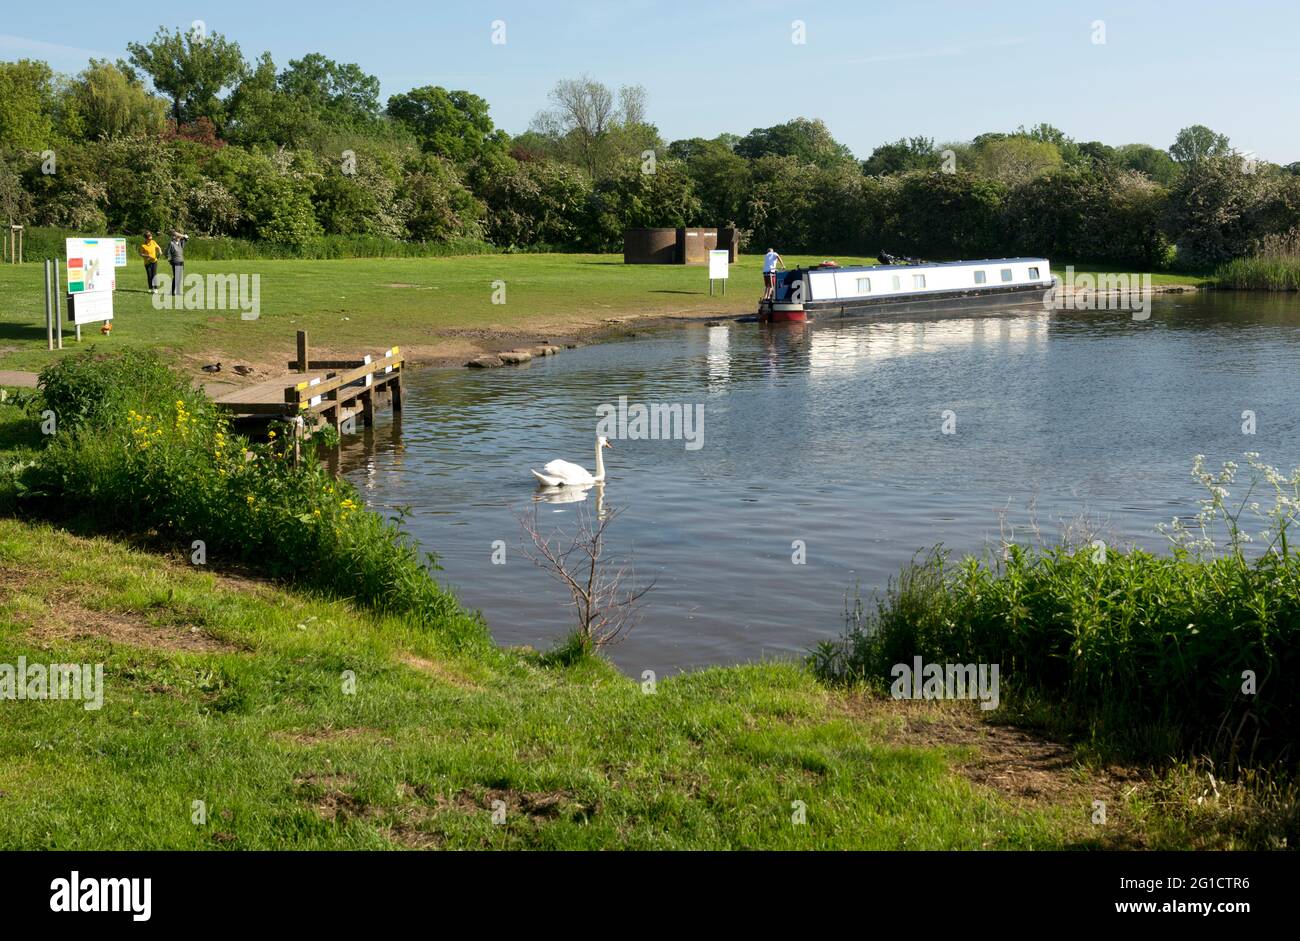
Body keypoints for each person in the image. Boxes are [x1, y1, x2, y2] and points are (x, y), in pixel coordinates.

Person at [165, 230, 188, 297]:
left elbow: (186, 238)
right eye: (177, 236)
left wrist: (182, 236)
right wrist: (169, 259)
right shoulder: (171, 243)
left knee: (179, 277)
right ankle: (173, 292)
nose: (178, 237)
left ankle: (176, 291)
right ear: (173, 237)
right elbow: (167, 252)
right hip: (175, 261)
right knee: (176, 277)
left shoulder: (181, 242)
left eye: (178, 236)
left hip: (181, 261)